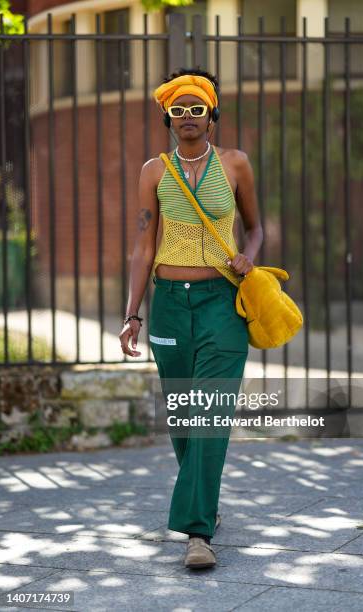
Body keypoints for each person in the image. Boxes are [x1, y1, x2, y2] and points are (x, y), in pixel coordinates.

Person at [119, 67, 263, 569]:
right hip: (170, 308)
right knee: (184, 416)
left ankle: (197, 533)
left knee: (208, 416)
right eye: (177, 110)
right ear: (167, 118)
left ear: (212, 116)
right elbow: (142, 244)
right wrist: (131, 313)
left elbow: (256, 227)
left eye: (195, 108)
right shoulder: (152, 172)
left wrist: (250, 255)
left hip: (223, 304)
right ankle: (205, 505)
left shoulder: (236, 164)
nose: (187, 117)